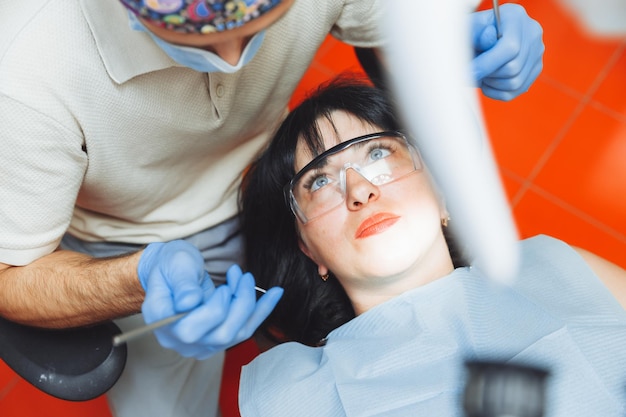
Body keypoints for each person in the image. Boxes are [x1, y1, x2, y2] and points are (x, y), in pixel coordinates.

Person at [0, 1, 544, 416]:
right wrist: (139, 278)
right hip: (129, 235)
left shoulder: (560, 271)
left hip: (263, 175)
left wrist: (434, 53)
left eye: (377, 155)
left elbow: (392, 35)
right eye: (198, 42)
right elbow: (9, 274)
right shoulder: (23, 70)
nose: (233, 63)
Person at [238, 78, 626, 416]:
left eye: (377, 153)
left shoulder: (556, 267)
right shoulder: (292, 395)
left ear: (441, 193)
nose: (359, 189)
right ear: (308, 249)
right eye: (319, 182)